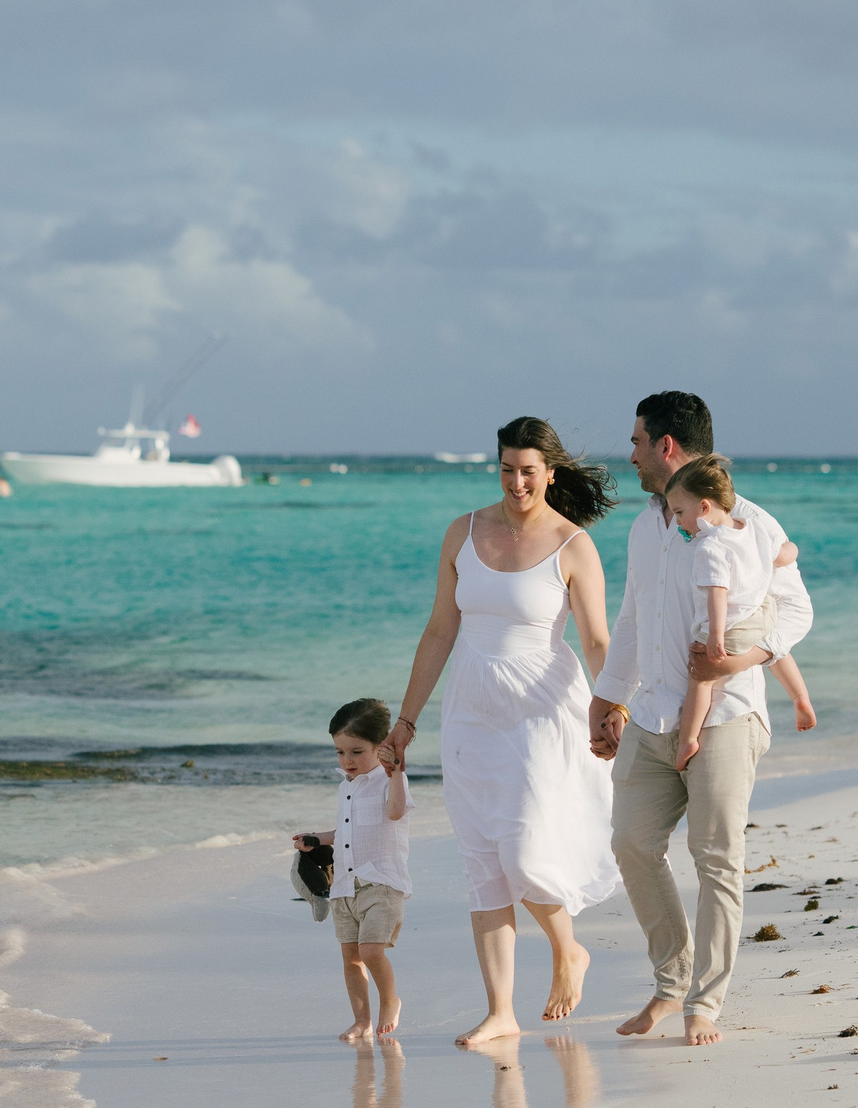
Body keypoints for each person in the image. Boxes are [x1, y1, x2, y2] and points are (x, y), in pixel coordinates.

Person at [382, 417, 621, 1047]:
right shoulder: (463, 531)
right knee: (483, 862)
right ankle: (501, 1011)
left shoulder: (573, 545)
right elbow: (439, 630)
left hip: (542, 707)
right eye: (508, 469)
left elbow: (597, 639)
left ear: (551, 472)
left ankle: (568, 950)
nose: (517, 482)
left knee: (522, 848)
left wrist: (614, 705)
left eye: (529, 471)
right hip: (471, 708)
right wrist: (405, 721)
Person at [587, 392, 814, 1047]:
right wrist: (608, 696)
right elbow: (632, 618)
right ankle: (671, 976)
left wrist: (738, 661)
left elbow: (796, 614)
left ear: (666, 446)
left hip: (727, 719)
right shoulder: (645, 528)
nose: (628, 455)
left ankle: (703, 1002)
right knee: (631, 843)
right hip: (652, 717)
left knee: (716, 858)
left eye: (636, 442)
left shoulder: (752, 524)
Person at [663, 455, 816, 770]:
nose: (677, 521)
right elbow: (785, 553)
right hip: (761, 613)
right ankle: (800, 698)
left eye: (679, 513)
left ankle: (688, 740)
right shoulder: (754, 528)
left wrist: (715, 636)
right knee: (777, 651)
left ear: (704, 508)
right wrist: (793, 551)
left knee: (701, 680)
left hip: (730, 625)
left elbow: (717, 592)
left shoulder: (709, 546)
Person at [294, 699, 412, 1043]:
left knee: (372, 951)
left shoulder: (389, 782)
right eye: (340, 752)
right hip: (345, 886)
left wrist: (397, 772)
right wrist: (316, 840)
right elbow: (344, 832)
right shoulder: (345, 786)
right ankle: (361, 1021)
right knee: (350, 958)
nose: (347, 761)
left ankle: (390, 1000)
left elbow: (395, 813)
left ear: (381, 747)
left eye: (356, 752)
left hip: (381, 883)